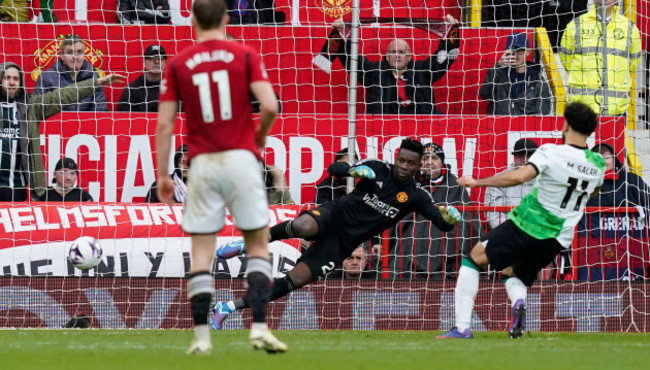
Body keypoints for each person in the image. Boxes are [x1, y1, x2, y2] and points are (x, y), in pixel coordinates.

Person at [212, 138, 462, 329]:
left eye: (410, 163)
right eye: (401, 161)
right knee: (303, 226)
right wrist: (352, 171)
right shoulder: (377, 168)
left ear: (418, 165)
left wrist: (449, 220)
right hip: (335, 215)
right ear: (396, 158)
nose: (404, 167)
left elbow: (442, 224)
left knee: (295, 280)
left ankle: (228, 307)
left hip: (343, 242)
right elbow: (334, 169)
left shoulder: (417, 195)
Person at [155, 0, 284, 354]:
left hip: (203, 163)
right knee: (258, 246)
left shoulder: (178, 63)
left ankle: (201, 337)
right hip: (242, 159)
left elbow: (165, 124)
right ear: (227, 19)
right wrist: (259, 137)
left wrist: (164, 175)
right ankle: (258, 328)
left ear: (193, 20)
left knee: (201, 253)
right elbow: (270, 105)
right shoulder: (244, 54)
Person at [437, 102, 604, 339]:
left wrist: (478, 182)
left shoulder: (550, 152)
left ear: (565, 124)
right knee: (512, 272)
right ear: (589, 132)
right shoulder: (597, 164)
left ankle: (462, 327)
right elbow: (593, 191)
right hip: (558, 238)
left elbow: (519, 176)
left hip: (527, 224)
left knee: (473, 260)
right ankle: (518, 302)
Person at [0, 62, 124, 202]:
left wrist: (97, 82)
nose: (11, 82)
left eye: (15, 79)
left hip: (17, 189)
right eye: (7, 78)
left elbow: (64, 95)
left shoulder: (31, 107)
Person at [388, 143, 484, 279]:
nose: (429, 162)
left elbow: (469, 221)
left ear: (442, 162)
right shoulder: (409, 183)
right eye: (425, 158)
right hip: (410, 252)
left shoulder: (455, 186)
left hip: (447, 256)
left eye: (434, 158)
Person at [332, 16, 459, 115]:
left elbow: (441, 59)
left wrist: (451, 31)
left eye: (402, 52)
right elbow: (352, 61)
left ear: (409, 57)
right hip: (382, 126)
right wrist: (341, 33)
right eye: (393, 52)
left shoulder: (422, 70)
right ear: (387, 56)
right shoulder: (374, 72)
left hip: (421, 125)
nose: (397, 55)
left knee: (439, 117)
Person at [576, 143, 650, 281]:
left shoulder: (630, 180)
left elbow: (647, 199)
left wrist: (642, 209)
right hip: (593, 247)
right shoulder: (583, 183)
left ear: (614, 159)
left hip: (630, 245)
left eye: (606, 157)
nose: (602, 161)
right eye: (597, 157)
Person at [559, 0, 642, 116]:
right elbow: (566, 59)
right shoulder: (576, 25)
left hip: (616, 108)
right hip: (582, 108)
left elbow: (634, 62)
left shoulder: (629, 28)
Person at [479, 33, 552, 115]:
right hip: (500, 125)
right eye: (512, 51)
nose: (516, 55)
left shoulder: (537, 79)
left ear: (528, 52)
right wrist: (498, 67)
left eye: (520, 51)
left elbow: (545, 110)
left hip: (525, 126)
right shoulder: (499, 73)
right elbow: (484, 95)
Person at [33, 35, 109, 112]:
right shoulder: (46, 76)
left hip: (86, 123)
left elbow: (100, 111)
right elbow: (36, 109)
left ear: (84, 56)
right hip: (56, 123)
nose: (75, 57)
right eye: (69, 52)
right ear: (62, 56)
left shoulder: (93, 76)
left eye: (79, 52)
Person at [484, 138, 538, 230]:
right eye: (521, 155)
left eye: (529, 155)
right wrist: (512, 233)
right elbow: (494, 215)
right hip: (508, 236)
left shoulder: (547, 181)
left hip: (540, 235)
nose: (525, 160)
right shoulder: (499, 180)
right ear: (515, 157)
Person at [117, 44, 167, 113]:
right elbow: (122, 118)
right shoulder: (132, 90)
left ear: (165, 63)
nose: (156, 62)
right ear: (144, 62)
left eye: (160, 58)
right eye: (152, 58)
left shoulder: (173, 88)